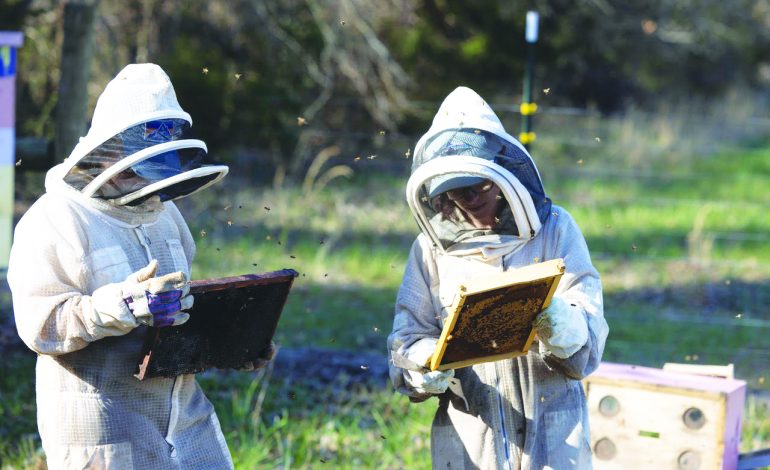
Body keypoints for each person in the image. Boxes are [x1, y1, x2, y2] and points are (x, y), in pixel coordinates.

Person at [8, 63, 272, 469]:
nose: (144, 179)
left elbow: (178, 312)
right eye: (136, 164)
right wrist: (120, 306)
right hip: (104, 426)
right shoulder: (54, 220)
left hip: (187, 424)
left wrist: (230, 342)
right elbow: (40, 327)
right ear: (107, 151)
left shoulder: (164, 215)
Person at [387, 86, 608, 469]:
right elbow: (406, 340)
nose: (468, 201)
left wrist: (564, 324)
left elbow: (587, 348)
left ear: (504, 178)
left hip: (556, 437)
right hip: (473, 440)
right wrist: (422, 365)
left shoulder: (556, 229)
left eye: (477, 188)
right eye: (455, 193)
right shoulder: (429, 251)